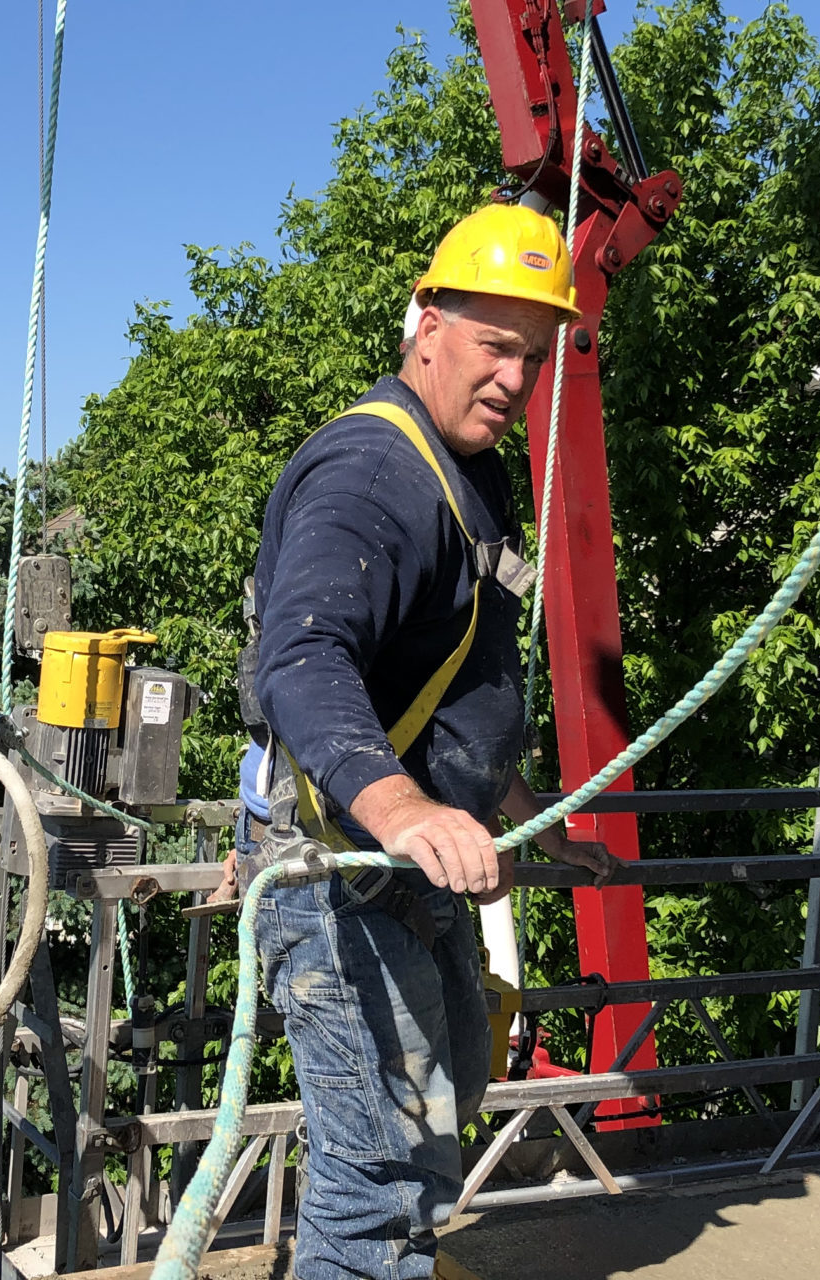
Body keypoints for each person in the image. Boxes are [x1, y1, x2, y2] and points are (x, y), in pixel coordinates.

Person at [248, 204, 623, 1278]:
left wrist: (519, 813)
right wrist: (404, 807)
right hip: (345, 866)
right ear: (425, 324)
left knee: (440, 1103)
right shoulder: (374, 473)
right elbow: (302, 659)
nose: (514, 377)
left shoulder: (467, 471)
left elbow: (450, 683)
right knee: (374, 1171)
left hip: (409, 865)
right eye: (494, 344)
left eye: (533, 354)